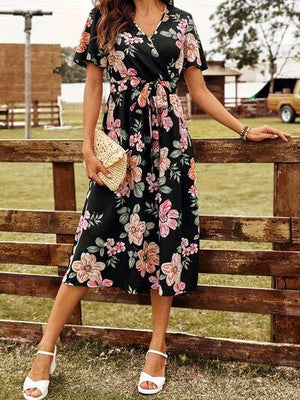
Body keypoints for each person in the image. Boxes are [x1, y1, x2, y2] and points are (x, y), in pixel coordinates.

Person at [23, 0, 292, 398]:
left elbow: (197, 89)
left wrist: (244, 129)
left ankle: (157, 347)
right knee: (90, 241)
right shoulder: (104, 16)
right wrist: (87, 146)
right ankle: (46, 346)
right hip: (121, 144)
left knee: (166, 242)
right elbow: (94, 84)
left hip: (169, 147)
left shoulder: (183, 22)